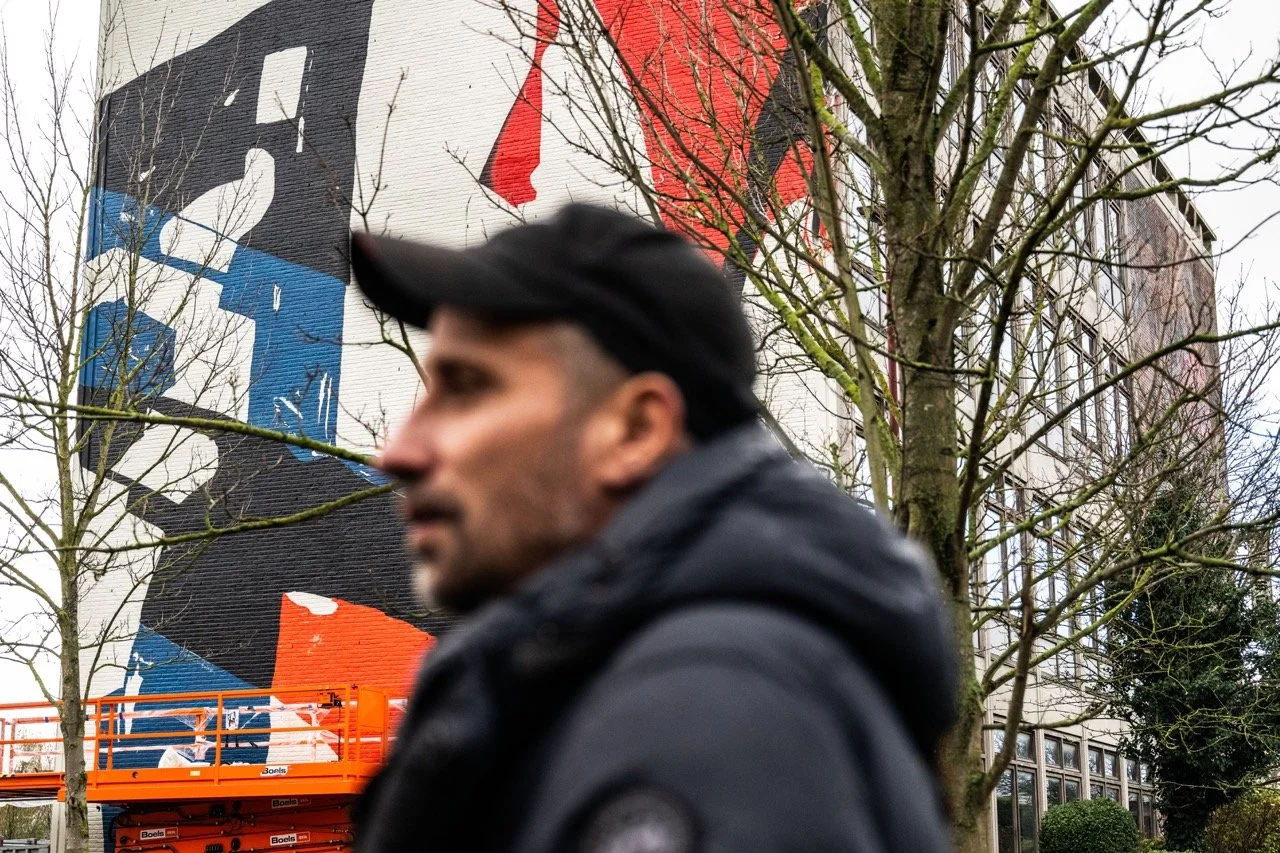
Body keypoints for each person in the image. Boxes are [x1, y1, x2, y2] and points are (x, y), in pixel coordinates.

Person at [348, 203, 956, 853]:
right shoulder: (625, 682)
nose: (399, 450)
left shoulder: (711, 703)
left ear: (637, 431)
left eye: (467, 387)